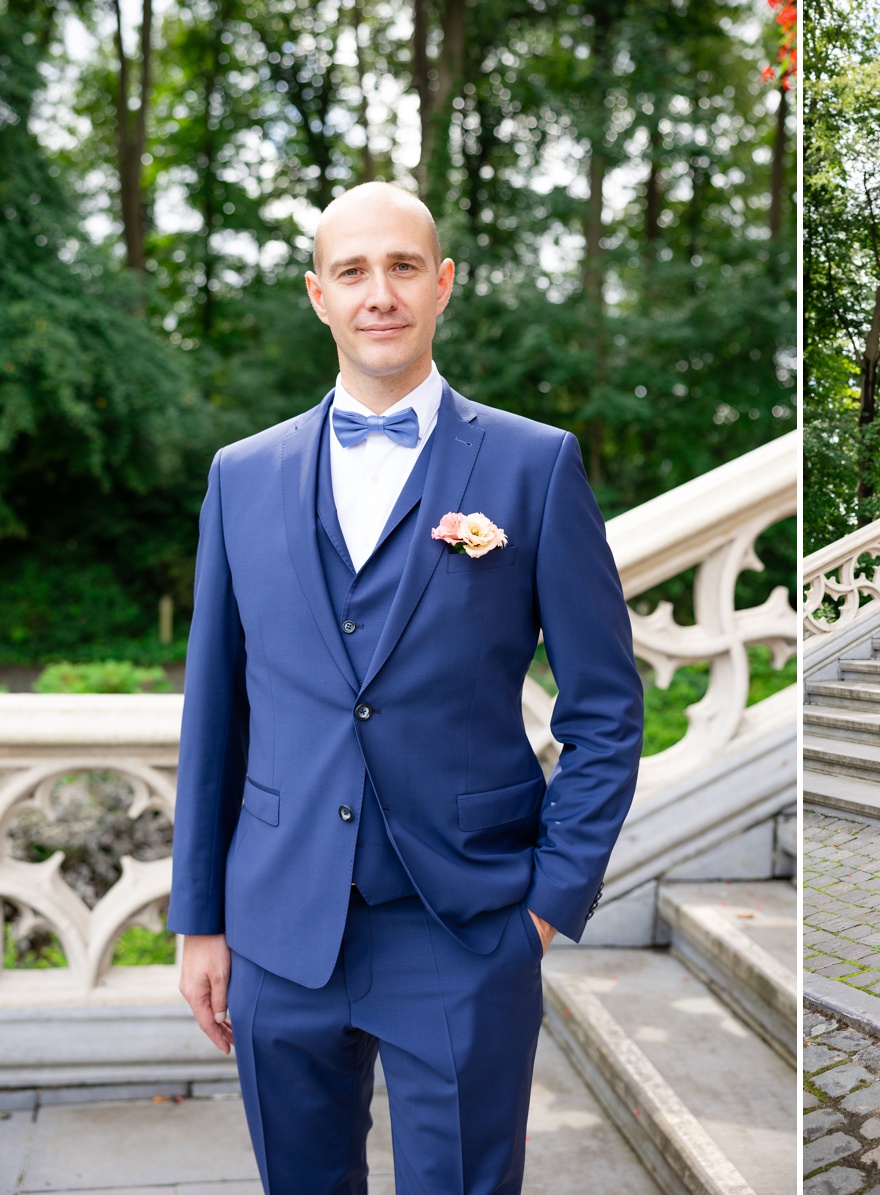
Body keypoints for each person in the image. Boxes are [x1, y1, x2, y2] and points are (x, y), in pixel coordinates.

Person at [167, 181, 645, 1193]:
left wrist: (546, 909)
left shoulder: (534, 465)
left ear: (443, 285)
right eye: (352, 271)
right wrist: (199, 918)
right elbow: (216, 714)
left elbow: (603, 709)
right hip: (278, 927)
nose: (379, 291)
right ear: (318, 295)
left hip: (465, 925)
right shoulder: (240, 477)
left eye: (402, 267)